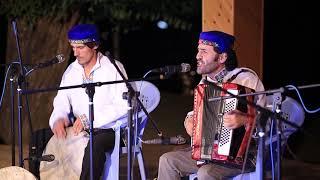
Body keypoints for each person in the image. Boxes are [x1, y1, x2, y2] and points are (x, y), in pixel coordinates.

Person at [157, 30, 266, 180]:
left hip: (243, 155)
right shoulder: (206, 81)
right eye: (198, 51)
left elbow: (267, 120)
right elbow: (197, 110)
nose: (197, 56)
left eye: (204, 52)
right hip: (207, 152)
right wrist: (189, 120)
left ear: (222, 57)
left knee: (205, 173)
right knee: (168, 161)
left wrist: (245, 120)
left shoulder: (246, 80)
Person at [48, 24, 128, 180]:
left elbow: (124, 105)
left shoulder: (113, 68)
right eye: (73, 48)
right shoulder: (72, 70)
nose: (75, 53)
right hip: (80, 129)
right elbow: (61, 100)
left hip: (111, 130)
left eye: (81, 48)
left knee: (95, 144)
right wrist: (58, 118)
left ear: (95, 45)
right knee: (39, 138)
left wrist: (90, 119)